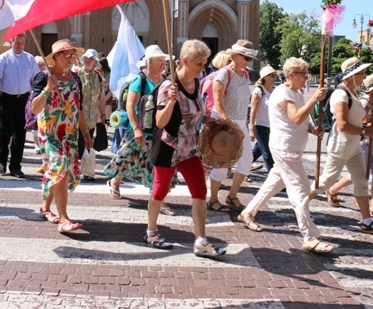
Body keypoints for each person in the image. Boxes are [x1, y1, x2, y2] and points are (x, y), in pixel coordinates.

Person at [237, 57, 333, 253]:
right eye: (303, 75)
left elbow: (301, 118)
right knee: (301, 191)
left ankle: (248, 212)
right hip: (285, 148)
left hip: (291, 147)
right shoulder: (282, 93)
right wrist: (314, 99)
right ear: (291, 75)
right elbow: (295, 117)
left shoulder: (295, 92)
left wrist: (312, 129)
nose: (307, 78)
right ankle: (309, 237)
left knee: (274, 182)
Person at [145, 39, 226, 258]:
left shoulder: (196, 83)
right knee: (160, 190)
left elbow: (195, 113)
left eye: (205, 63)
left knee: (200, 191)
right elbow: (160, 122)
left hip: (189, 147)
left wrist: (210, 121)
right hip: (169, 146)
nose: (204, 68)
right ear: (186, 61)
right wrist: (171, 102)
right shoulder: (167, 87)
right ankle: (151, 231)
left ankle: (201, 241)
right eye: (200, 64)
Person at [310, 57, 373, 235]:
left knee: (361, 180)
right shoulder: (340, 94)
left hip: (353, 146)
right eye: (361, 74)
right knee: (325, 181)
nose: (364, 77)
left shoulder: (352, 93)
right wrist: (364, 131)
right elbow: (343, 124)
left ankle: (367, 220)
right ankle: (300, 204)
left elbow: (359, 117)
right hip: (341, 145)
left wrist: (370, 102)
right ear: (351, 76)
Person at [103, 45, 176, 216]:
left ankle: (158, 199)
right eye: (159, 61)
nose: (162, 64)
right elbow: (130, 105)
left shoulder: (165, 81)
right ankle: (115, 182)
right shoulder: (140, 81)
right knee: (128, 158)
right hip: (139, 129)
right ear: (148, 62)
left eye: (164, 61)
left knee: (154, 164)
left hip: (157, 130)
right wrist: (136, 129)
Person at [31, 39, 92, 233]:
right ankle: (64, 218)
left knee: (59, 170)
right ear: (55, 57)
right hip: (50, 134)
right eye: (66, 55)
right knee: (61, 165)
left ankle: (45, 208)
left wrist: (86, 133)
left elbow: (79, 108)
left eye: (73, 55)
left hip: (70, 134)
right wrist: (48, 89)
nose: (71, 58)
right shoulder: (43, 77)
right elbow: (35, 108)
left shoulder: (75, 78)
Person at [326, 75, 373, 220]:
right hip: (364, 142)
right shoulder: (362, 102)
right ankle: (332, 189)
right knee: (357, 175)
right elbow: (363, 124)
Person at [207, 40, 258, 213]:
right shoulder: (223, 74)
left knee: (247, 160)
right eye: (245, 58)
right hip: (224, 123)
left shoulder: (244, 75)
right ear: (235, 56)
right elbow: (218, 102)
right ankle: (213, 199)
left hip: (240, 122)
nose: (248, 61)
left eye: (250, 59)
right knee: (222, 163)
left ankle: (232, 195)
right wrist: (226, 124)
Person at [0, 33, 40, 178]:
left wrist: (36, 95)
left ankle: (15, 166)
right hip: (6, 98)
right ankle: (1, 162)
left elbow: (37, 80)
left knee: (20, 134)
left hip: (23, 100)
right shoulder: (3, 58)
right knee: (5, 132)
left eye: (22, 42)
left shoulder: (30, 59)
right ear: (11, 42)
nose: (19, 45)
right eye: (17, 42)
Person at [78, 48, 106, 181]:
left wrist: (103, 115)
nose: (87, 60)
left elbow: (101, 98)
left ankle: (88, 172)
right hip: (78, 117)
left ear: (95, 61)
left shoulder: (99, 77)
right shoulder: (77, 74)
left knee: (89, 143)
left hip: (92, 117)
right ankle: (73, 168)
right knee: (77, 143)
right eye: (85, 58)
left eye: (90, 58)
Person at [249, 65, 279, 173]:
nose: (275, 77)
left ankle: (244, 167)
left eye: (275, 75)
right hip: (260, 125)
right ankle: (273, 175)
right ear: (265, 77)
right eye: (272, 75)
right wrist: (251, 128)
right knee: (267, 151)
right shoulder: (258, 91)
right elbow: (253, 111)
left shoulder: (276, 90)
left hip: (272, 125)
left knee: (259, 149)